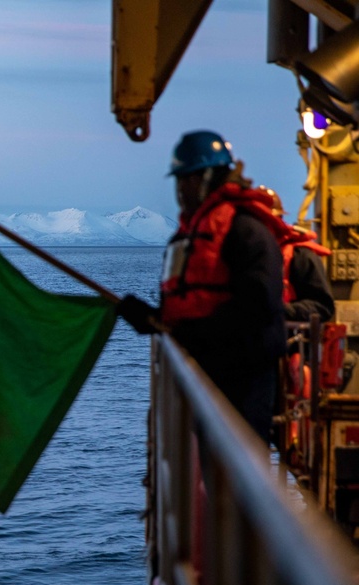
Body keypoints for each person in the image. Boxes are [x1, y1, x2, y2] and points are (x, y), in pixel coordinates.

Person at [118, 130, 287, 442]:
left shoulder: (246, 232)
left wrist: (191, 332)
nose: (181, 190)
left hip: (242, 384)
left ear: (210, 177)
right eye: (178, 181)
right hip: (202, 378)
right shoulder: (187, 238)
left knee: (239, 471)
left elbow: (258, 306)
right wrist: (153, 320)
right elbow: (186, 308)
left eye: (188, 180)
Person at [257, 187, 334, 323]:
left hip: (287, 339)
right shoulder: (246, 256)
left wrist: (281, 310)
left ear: (279, 220)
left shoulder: (301, 257)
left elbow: (322, 307)